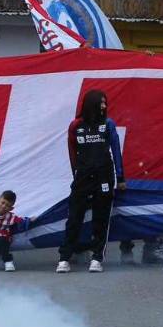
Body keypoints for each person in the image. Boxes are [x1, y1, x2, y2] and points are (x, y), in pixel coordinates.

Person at [56, 89, 124, 274]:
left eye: (105, 103)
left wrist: (121, 177)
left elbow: (116, 151)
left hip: (104, 176)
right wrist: (76, 175)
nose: (104, 106)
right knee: (74, 217)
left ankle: (96, 258)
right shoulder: (75, 126)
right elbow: (72, 153)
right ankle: (64, 258)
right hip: (83, 177)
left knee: (101, 218)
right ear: (90, 103)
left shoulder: (108, 124)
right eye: (101, 102)